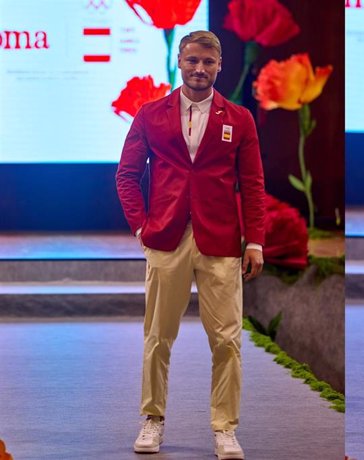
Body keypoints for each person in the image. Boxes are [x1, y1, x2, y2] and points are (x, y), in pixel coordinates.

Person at [116, 30, 265, 460]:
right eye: (193, 61)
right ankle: (152, 419)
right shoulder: (150, 114)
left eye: (208, 62)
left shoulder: (239, 119)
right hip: (166, 239)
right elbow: (126, 176)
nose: (200, 69)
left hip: (220, 241)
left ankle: (225, 428)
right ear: (179, 63)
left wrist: (254, 240)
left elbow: (253, 185)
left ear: (220, 67)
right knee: (158, 337)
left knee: (228, 341)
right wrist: (141, 227)